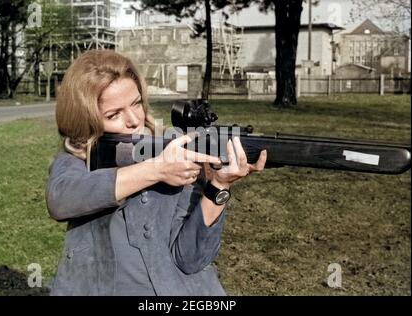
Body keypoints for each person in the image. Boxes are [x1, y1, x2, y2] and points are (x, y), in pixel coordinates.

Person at [45, 49, 267, 296]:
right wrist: (156, 170)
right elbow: (60, 199)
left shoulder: (174, 152)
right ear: (85, 120)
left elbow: (190, 259)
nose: (133, 120)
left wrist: (219, 186)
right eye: (113, 114)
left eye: (136, 103)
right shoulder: (77, 161)